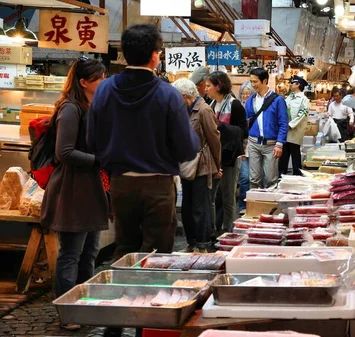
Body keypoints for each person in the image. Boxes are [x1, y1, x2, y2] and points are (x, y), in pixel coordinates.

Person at [87, 24, 199, 258]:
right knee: (156, 254)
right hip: (158, 184)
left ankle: (124, 293)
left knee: (126, 248)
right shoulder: (168, 94)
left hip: (120, 184)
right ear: (154, 56)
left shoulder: (105, 89)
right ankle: (151, 295)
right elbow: (188, 148)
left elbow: (92, 139)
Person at [40, 57, 108, 330]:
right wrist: (98, 159)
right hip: (72, 189)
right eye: (100, 78)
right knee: (71, 253)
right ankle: (67, 312)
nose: (104, 82)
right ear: (84, 82)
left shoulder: (92, 107)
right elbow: (64, 152)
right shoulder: (70, 109)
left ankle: (84, 306)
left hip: (90, 189)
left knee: (90, 252)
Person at [172, 78, 221, 253]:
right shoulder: (183, 110)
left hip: (203, 165)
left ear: (185, 95)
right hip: (187, 164)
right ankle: (191, 242)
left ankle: (202, 244)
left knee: (200, 207)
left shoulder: (204, 110)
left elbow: (214, 140)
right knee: (187, 206)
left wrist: (217, 165)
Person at [205, 71, 246, 233]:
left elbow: (244, 131)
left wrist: (221, 129)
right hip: (214, 156)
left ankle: (229, 231)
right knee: (214, 196)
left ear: (219, 86)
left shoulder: (234, 105)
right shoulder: (212, 104)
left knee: (228, 196)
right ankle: (214, 229)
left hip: (229, 157)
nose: (206, 89)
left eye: (209, 86)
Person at [245, 68, 288, 189]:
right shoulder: (250, 101)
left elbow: (283, 123)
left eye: (255, 82)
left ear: (264, 81)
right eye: (251, 82)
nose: (253, 85)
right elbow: (247, 121)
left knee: (271, 179)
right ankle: (255, 206)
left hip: (271, 145)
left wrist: (279, 143)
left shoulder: (278, 100)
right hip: (253, 143)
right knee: (253, 179)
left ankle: (270, 206)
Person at [280, 75, 309, 175]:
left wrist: (291, 125)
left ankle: (297, 175)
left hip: (295, 131)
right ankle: (282, 175)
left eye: (293, 83)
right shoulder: (289, 97)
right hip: (285, 130)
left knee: (295, 154)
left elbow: (302, 114)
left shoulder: (303, 99)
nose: (291, 85)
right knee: (284, 154)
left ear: (298, 85)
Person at [237, 81, 254, 212]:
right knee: (244, 177)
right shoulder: (237, 108)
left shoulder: (255, 108)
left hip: (253, 145)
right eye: (243, 93)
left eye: (248, 93)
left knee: (255, 177)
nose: (245, 96)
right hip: (242, 147)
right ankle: (242, 206)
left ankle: (253, 204)